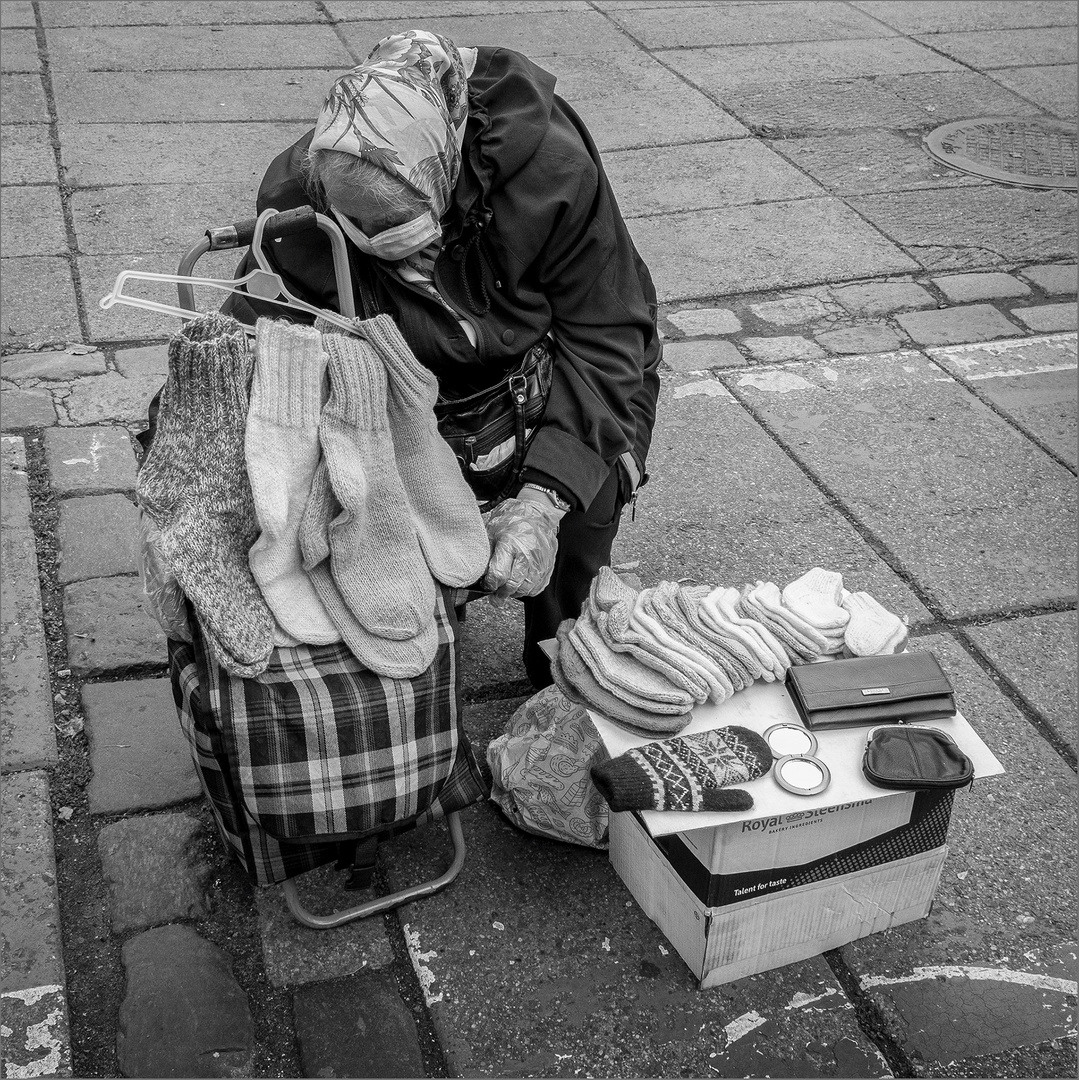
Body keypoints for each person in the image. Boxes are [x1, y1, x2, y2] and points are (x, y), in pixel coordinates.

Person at [222, 29, 662, 688]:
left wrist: (541, 501)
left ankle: (566, 676)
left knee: (581, 504)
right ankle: (425, 693)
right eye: (366, 233)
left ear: (445, 172)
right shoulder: (300, 205)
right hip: (416, 395)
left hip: (553, 376)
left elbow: (606, 334)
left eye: (407, 229)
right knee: (382, 540)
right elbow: (250, 342)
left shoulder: (548, 171)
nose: (392, 251)